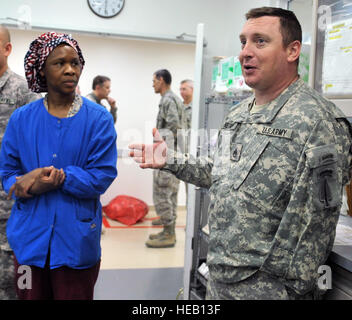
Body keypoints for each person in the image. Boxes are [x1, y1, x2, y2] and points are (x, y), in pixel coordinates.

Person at [129, 7, 352, 299]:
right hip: (220, 280)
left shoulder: (318, 122)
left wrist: (284, 292)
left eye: (260, 41)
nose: (245, 52)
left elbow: (313, 228)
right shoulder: (239, 114)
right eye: (243, 41)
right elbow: (222, 173)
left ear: (292, 50)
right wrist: (170, 160)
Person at [0, 32, 117, 300]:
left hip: (75, 244)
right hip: (29, 245)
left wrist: (61, 178)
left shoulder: (98, 119)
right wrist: (27, 184)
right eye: (59, 63)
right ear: (42, 68)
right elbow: (7, 173)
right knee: (29, 295)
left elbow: (102, 175)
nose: (69, 70)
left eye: (75, 63)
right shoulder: (22, 119)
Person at [0, 25, 41, 300]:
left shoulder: (24, 91)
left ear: (7, 49)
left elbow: (41, 144)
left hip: (10, 207)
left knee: (13, 285)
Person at [146, 69, 185, 248]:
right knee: (171, 193)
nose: (153, 84)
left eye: (154, 80)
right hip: (175, 153)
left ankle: (169, 234)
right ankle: (169, 230)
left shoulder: (168, 99)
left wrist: (162, 151)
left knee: (162, 192)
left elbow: (173, 127)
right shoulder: (174, 98)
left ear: (162, 80)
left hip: (167, 155)